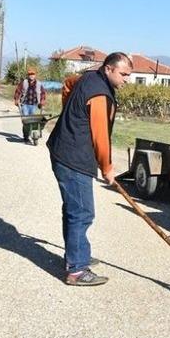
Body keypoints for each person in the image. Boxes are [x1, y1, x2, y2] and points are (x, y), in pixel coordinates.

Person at [46, 52, 133, 286]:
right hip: (73, 158)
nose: (126, 79)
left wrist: (71, 115)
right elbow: (101, 136)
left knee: (73, 209)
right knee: (82, 212)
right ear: (108, 69)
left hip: (61, 151)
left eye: (129, 75)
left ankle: (76, 255)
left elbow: (67, 85)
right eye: (123, 74)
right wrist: (107, 168)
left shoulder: (88, 78)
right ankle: (76, 270)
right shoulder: (99, 94)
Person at [13, 69, 47, 143]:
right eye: (30, 74)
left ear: (35, 75)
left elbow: (43, 93)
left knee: (32, 122)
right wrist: (16, 99)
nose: (31, 75)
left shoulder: (39, 84)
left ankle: (32, 134)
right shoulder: (24, 82)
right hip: (25, 104)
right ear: (28, 75)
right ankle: (26, 137)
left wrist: (42, 101)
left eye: (33, 74)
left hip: (34, 105)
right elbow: (18, 91)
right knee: (26, 121)